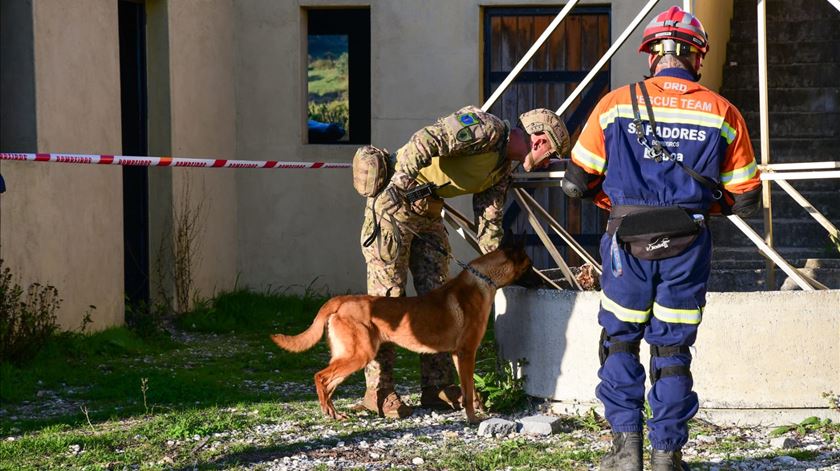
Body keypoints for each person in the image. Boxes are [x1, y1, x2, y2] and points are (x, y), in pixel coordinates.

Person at [560, 7, 761, 471]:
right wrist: (696, 207)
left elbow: (576, 181)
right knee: (671, 349)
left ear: (651, 53)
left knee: (620, 341)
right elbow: (745, 197)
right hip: (687, 244)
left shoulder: (615, 104)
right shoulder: (722, 111)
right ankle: (667, 457)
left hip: (624, 246)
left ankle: (626, 453)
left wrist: (619, 202)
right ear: (697, 56)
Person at [357, 106, 570, 418]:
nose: (547, 162)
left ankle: (436, 386)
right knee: (388, 300)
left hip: (428, 215)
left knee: (440, 299)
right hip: (393, 211)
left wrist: (507, 269)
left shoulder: (503, 171)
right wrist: (399, 186)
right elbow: (426, 140)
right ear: (539, 142)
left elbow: (489, 227)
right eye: (550, 154)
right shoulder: (488, 129)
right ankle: (379, 391)